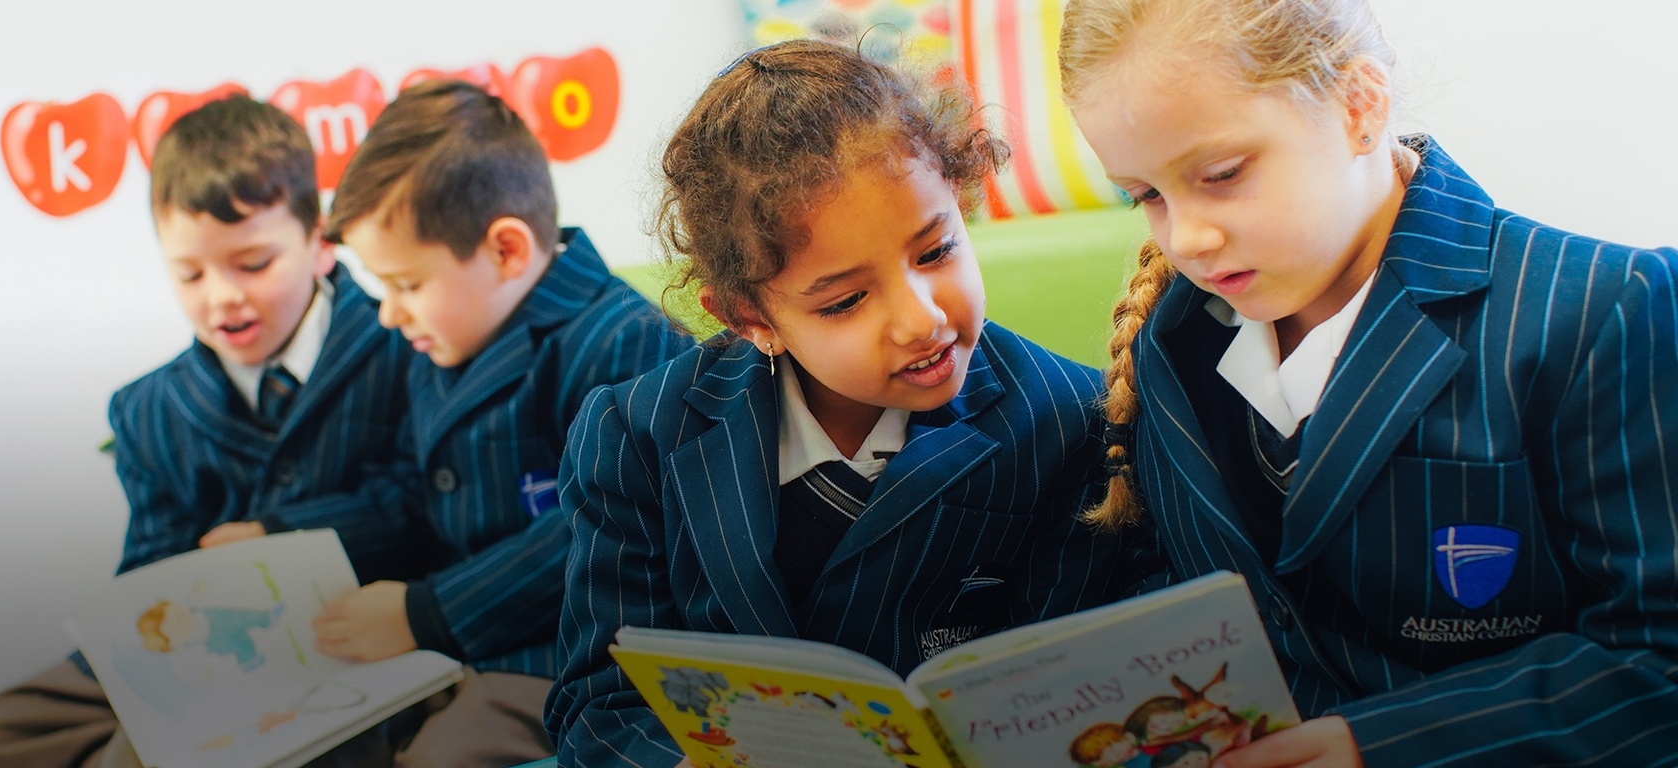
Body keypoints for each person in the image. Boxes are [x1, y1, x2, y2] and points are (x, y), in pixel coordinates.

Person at [1059, 0, 1678, 765]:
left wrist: (1377, 748)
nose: (1186, 238)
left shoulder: (1606, 308)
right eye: (1145, 195)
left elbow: (1657, 663)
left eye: (1222, 175)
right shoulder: (1172, 340)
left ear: (1360, 105)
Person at [545, 39, 1144, 767]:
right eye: (847, 300)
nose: (922, 318)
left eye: (936, 251)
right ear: (750, 318)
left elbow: (1073, 701)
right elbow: (599, 703)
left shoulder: (1070, 421)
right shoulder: (635, 437)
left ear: (959, 200)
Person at [0, 95, 432, 768]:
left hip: (347, 646)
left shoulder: (404, 344)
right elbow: (151, 556)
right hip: (196, 654)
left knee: (139, 756)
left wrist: (273, 534)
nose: (221, 296)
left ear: (319, 244)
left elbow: (421, 503)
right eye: (190, 273)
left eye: (253, 264)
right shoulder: (148, 409)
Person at [317, 78, 691, 766]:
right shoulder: (443, 339)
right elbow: (413, 487)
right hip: (459, 650)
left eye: (406, 285)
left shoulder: (624, 340)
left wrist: (426, 613)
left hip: (573, 660)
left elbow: (596, 533)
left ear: (507, 251)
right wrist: (285, 534)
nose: (390, 315)